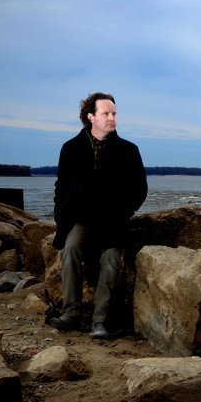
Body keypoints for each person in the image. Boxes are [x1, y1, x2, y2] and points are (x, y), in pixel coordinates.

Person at [49, 92, 147, 339]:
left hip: (113, 223)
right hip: (80, 221)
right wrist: (62, 219)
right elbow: (61, 188)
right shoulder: (71, 148)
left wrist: (125, 212)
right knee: (70, 250)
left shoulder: (128, 150)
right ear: (90, 116)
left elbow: (139, 188)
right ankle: (71, 313)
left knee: (112, 261)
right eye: (106, 114)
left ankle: (100, 321)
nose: (112, 118)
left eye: (114, 114)